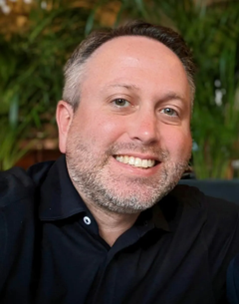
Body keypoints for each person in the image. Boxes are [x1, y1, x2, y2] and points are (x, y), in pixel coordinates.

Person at [0, 20, 238, 304]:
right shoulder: (7, 221)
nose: (147, 132)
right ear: (66, 122)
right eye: (121, 102)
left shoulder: (224, 235)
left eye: (169, 110)